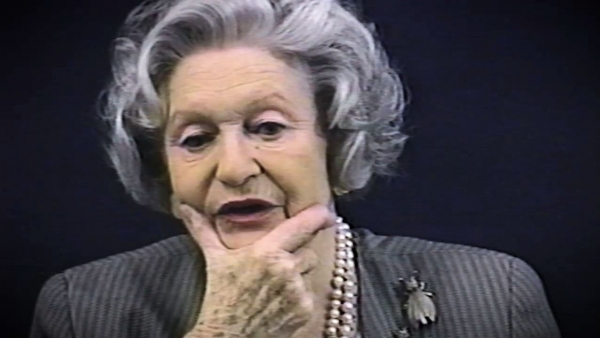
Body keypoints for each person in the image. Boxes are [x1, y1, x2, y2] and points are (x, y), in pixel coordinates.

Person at [30, 0, 561, 337]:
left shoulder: (496, 297)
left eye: (267, 128)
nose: (234, 168)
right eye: (196, 139)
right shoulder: (83, 310)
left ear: (336, 140)